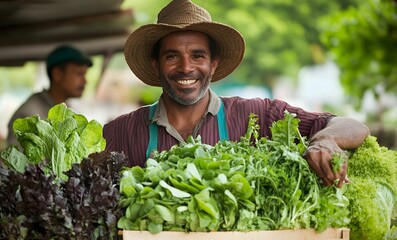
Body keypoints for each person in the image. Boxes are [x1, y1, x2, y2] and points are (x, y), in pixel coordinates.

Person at [103, 0, 370, 188]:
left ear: (213, 64)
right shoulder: (121, 132)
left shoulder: (258, 115)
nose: (186, 67)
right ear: (156, 64)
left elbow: (353, 126)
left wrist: (324, 140)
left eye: (198, 56)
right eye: (172, 56)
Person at [7, 44, 92, 145]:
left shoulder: (69, 110)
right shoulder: (28, 116)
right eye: (79, 74)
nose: (85, 81)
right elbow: (18, 158)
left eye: (85, 74)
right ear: (57, 74)